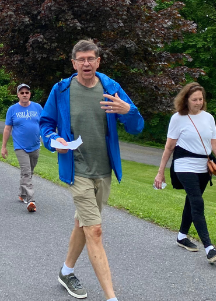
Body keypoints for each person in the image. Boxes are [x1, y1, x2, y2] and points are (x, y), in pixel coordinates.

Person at [40, 39, 144, 301]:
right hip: (77, 169)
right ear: (73, 63)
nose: (86, 64)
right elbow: (46, 124)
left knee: (82, 224)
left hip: (104, 169)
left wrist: (128, 110)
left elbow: (136, 126)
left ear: (98, 61)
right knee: (94, 230)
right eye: (81, 59)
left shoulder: (111, 88)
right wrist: (54, 141)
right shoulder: (61, 90)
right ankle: (112, 297)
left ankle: (66, 272)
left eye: (91, 59)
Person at [154, 82, 216, 264]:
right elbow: (169, 147)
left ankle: (181, 236)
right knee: (197, 202)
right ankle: (209, 248)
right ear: (185, 100)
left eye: (201, 99)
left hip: (204, 166)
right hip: (184, 164)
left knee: (191, 201)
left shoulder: (208, 118)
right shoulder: (178, 119)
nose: (198, 102)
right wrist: (160, 172)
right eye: (194, 99)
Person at [1, 84, 43, 212]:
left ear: (30, 94)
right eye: (22, 92)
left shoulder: (37, 107)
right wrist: (4, 146)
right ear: (18, 95)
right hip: (20, 146)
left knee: (29, 171)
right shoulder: (12, 109)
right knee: (26, 172)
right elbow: (7, 128)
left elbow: (44, 124)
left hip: (35, 145)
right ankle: (31, 201)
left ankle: (22, 193)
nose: (24, 94)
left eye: (27, 92)